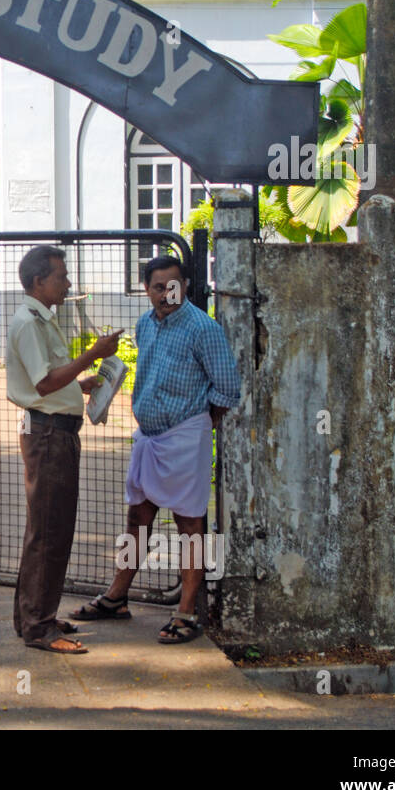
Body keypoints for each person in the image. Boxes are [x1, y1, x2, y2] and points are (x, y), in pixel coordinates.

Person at [68, 254, 240, 644]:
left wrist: (200, 425)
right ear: (146, 290)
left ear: (186, 287)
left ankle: (186, 612)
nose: (167, 294)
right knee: (138, 519)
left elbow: (228, 387)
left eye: (174, 285)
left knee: (189, 526)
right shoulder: (146, 324)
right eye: (158, 286)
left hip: (185, 437)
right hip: (149, 437)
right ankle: (116, 597)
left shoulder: (203, 328)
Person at [7, 245, 122, 654]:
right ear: (39, 281)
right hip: (49, 435)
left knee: (47, 530)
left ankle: (33, 616)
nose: (68, 282)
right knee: (50, 532)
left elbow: (54, 378)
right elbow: (43, 384)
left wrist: (81, 382)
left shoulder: (41, 319)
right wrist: (92, 355)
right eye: (61, 275)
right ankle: (38, 627)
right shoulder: (29, 323)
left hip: (55, 431)